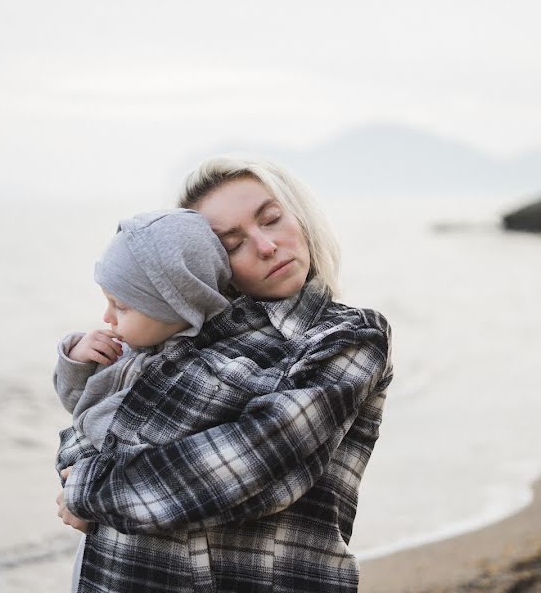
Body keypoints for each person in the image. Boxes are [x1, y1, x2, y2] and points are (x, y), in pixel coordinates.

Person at [55, 156, 393, 593]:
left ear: (299, 214)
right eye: (232, 244)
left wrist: (89, 489)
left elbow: (254, 462)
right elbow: (87, 431)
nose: (267, 246)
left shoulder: (346, 337)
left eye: (271, 220)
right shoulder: (173, 336)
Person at [52, 208, 231, 589]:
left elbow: (164, 461)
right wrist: (78, 359)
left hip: (145, 546)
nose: (107, 317)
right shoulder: (129, 352)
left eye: (122, 306)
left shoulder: (199, 373)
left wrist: (88, 498)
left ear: (176, 303)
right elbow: (77, 404)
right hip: (99, 535)